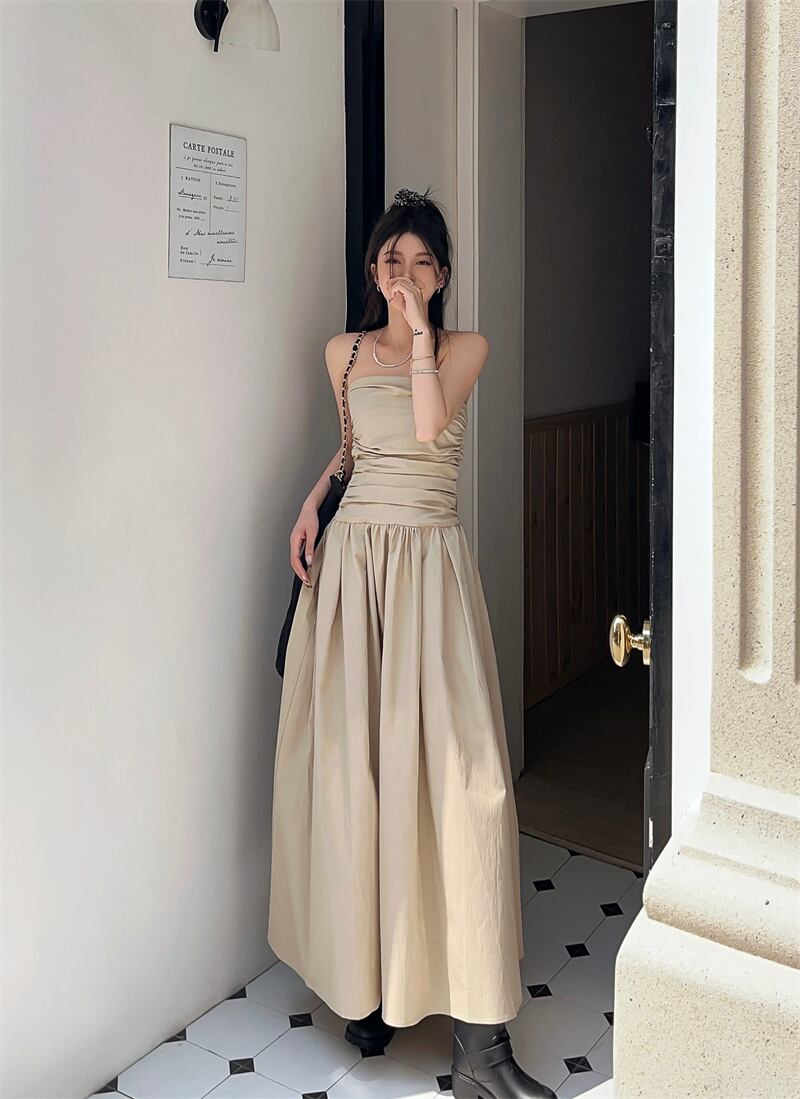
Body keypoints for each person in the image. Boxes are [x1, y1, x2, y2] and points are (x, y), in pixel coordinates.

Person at [267, 187, 556, 1099]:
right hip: (354, 573)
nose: (405, 273)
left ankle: (482, 1046)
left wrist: (420, 327)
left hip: (430, 574)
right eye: (392, 259)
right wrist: (313, 499)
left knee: (464, 784)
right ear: (372, 268)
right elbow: (358, 446)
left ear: (442, 273)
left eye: (422, 261)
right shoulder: (342, 353)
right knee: (360, 777)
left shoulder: (464, 348)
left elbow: (427, 426)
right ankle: (368, 990)